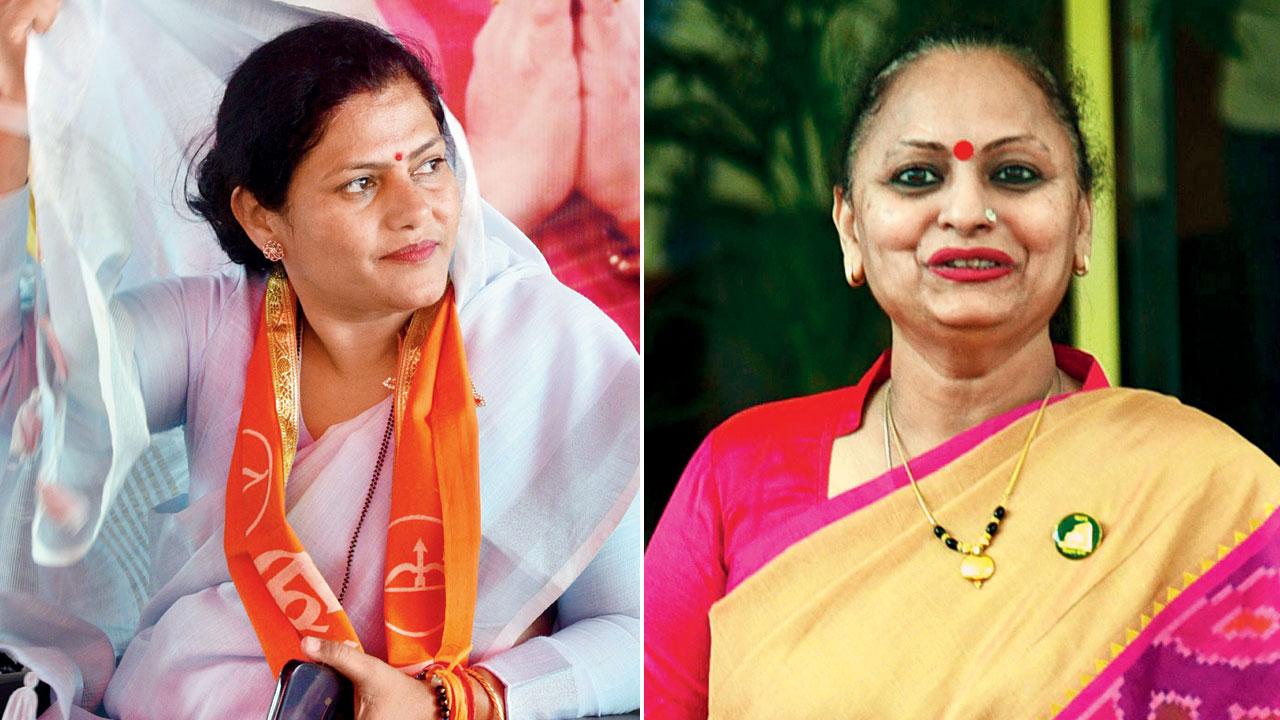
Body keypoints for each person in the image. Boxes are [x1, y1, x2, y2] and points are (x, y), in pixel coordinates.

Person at [0, 3, 640, 719]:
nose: (415, 210)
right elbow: (26, 391)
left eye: (430, 166)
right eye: (361, 184)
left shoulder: (559, 356)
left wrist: (448, 702)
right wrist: (11, 134)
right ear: (261, 220)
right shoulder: (213, 327)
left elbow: (635, 638)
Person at [644, 30, 1280, 719]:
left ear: (1083, 223)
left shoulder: (1198, 489)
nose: (968, 213)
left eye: (1016, 175)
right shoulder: (739, 473)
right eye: (917, 176)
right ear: (851, 228)